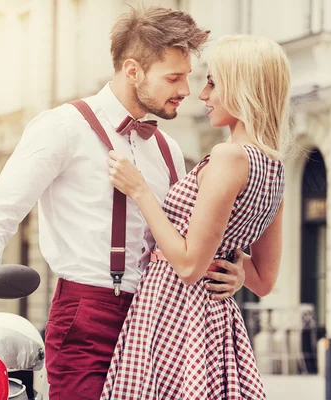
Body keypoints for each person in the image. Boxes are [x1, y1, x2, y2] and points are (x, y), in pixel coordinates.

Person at [0, 7, 246, 400]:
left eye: (187, 76)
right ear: (133, 70)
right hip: (87, 317)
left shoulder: (168, 150)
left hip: (159, 317)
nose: (186, 90)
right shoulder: (62, 127)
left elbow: (180, 240)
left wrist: (232, 272)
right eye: (173, 77)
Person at [102, 34, 291, 400]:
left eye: (212, 82)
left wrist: (139, 191)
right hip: (214, 318)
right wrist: (232, 267)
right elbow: (264, 280)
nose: (202, 94)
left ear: (241, 87)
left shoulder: (229, 157)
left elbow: (188, 265)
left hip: (174, 310)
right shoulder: (275, 166)